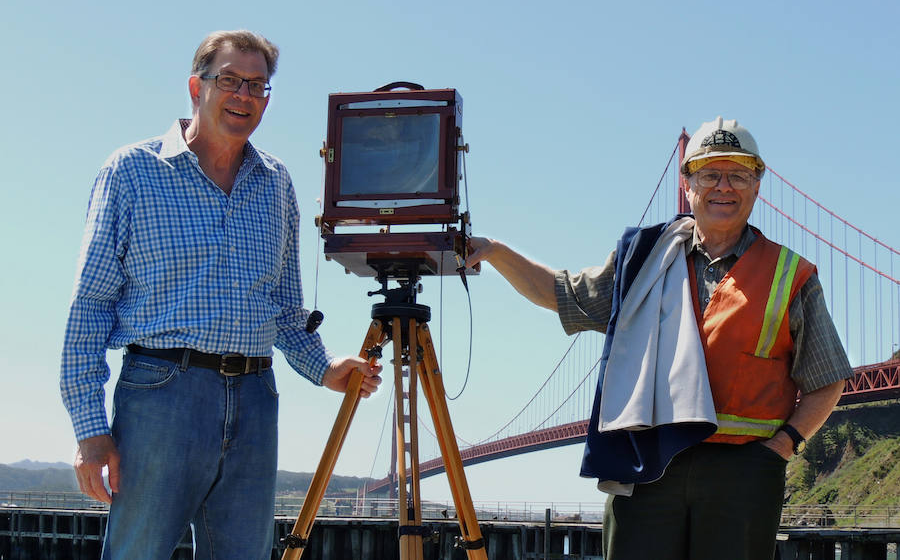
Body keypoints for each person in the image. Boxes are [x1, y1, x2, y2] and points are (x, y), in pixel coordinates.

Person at [466, 117, 852, 560]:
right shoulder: (643, 261)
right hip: (647, 465)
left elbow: (827, 379)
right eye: (709, 174)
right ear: (688, 184)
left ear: (757, 184)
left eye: (738, 175)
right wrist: (495, 250)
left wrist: (781, 448)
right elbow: (562, 294)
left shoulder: (791, 275)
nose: (723, 187)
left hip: (743, 470)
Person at [59, 30, 381, 559]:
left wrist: (325, 368)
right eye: (229, 80)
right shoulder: (131, 171)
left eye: (257, 85)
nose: (244, 95)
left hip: (256, 399)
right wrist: (90, 430)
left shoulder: (276, 182)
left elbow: (284, 308)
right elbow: (89, 306)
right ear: (196, 86)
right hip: (160, 394)